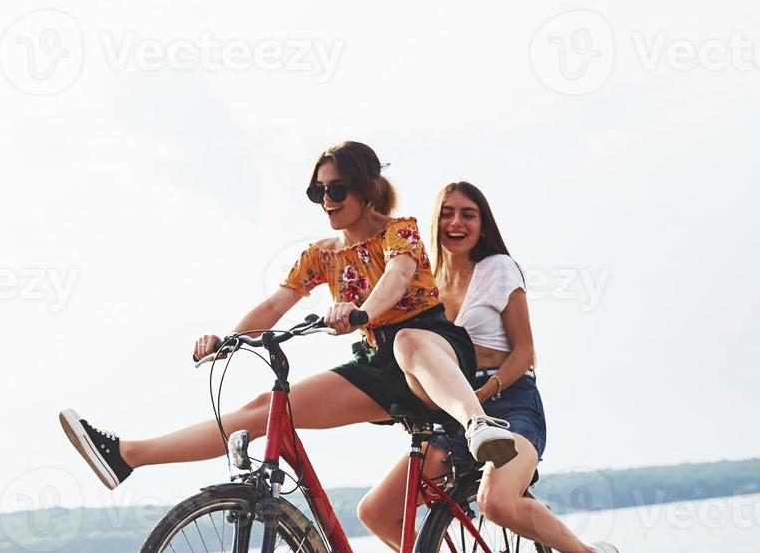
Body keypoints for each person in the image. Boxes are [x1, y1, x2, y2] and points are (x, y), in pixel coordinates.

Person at [58, 140, 516, 493]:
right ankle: (128, 456)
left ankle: (478, 425)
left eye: (336, 189)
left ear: (368, 189)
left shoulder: (402, 232)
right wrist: (227, 340)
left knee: (407, 341)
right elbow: (276, 305)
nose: (326, 199)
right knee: (263, 409)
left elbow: (396, 276)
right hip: (379, 364)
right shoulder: (320, 255)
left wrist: (361, 313)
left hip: (437, 353)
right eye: (318, 190)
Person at [356, 181, 630, 553]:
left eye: (468, 214)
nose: (456, 223)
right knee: (375, 511)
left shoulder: (499, 269)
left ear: (482, 224)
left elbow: (525, 352)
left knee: (497, 502)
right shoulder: (426, 284)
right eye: (447, 213)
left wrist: (481, 397)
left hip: (511, 400)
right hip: (456, 414)